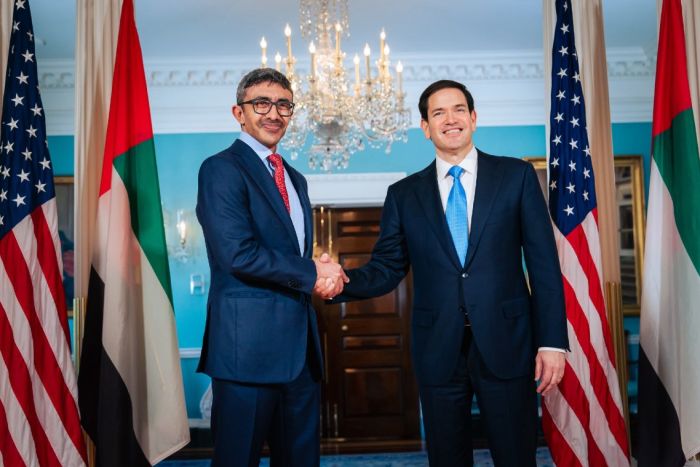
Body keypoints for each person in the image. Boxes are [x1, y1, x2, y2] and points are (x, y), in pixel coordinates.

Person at [328, 80, 569, 466]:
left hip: (508, 341)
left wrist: (552, 342)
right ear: (425, 127)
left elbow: (544, 265)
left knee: (516, 456)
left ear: (473, 118)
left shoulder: (516, 176)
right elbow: (387, 267)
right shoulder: (403, 194)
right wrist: (339, 281)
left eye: (458, 110)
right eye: (438, 113)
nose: (450, 119)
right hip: (437, 348)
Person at [196, 67, 347, 467]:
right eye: (261, 103)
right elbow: (237, 254)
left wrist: (320, 271)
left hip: (300, 355)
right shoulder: (221, 168)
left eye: (284, 105)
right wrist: (313, 272)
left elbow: (290, 256)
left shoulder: (295, 179)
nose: (274, 113)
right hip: (246, 353)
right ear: (239, 112)